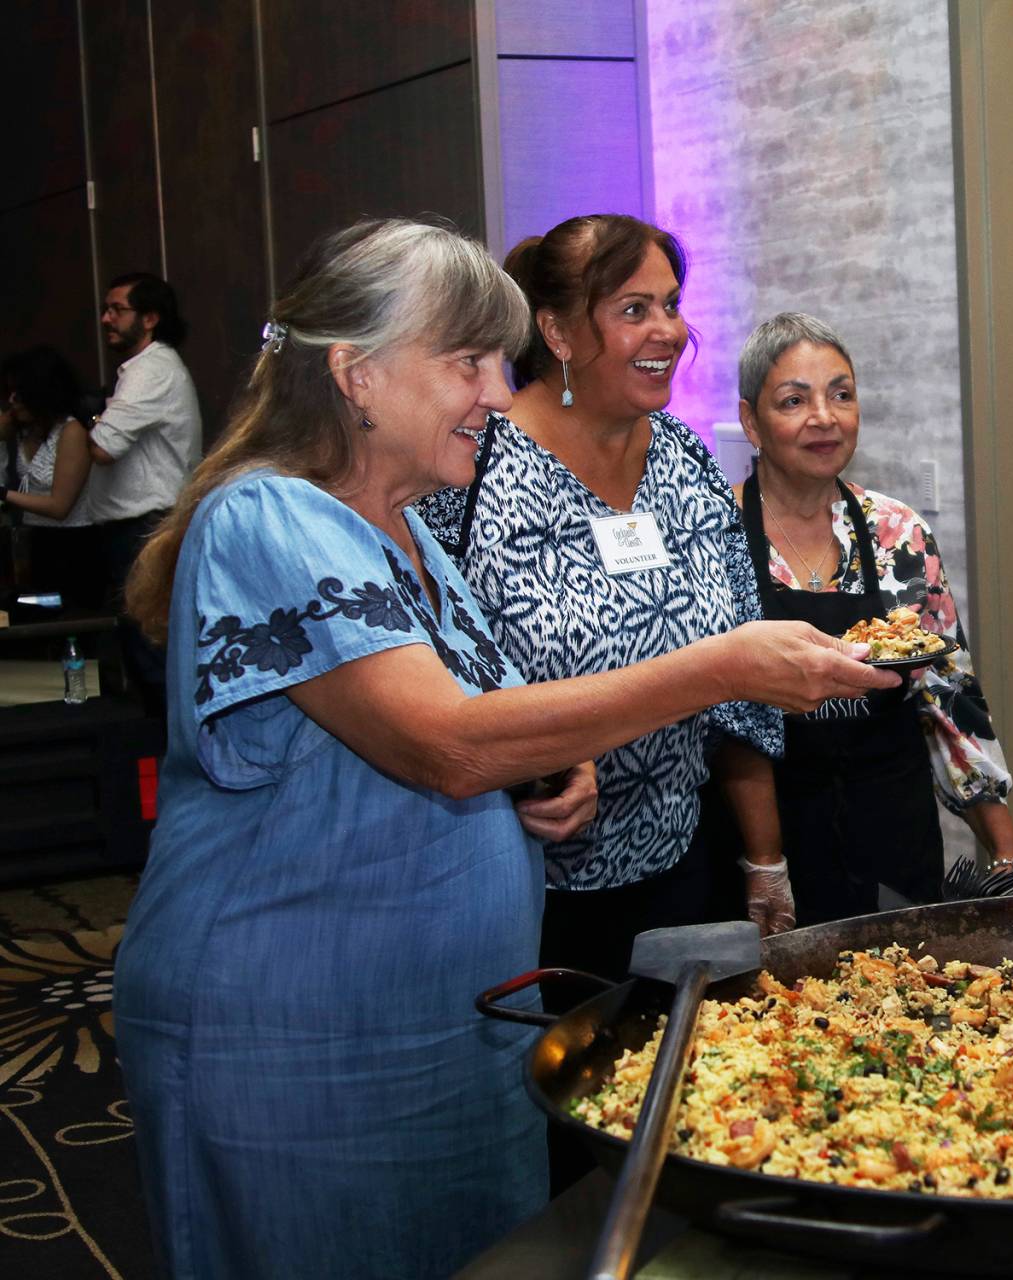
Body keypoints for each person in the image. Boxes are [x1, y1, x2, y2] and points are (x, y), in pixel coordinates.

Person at [112, 218, 893, 1279]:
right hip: (301, 1035)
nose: (495, 389)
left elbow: (478, 709)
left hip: (455, 1021)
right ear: (357, 375)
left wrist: (549, 762)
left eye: (500, 358)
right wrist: (719, 667)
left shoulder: (412, 525)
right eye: (467, 360)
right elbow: (443, 744)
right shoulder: (268, 520)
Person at [420, 214, 800, 983]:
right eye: (634, 310)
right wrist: (528, 772)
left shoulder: (686, 459)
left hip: (681, 864)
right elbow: (428, 679)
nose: (668, 330)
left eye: (670, 303)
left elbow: (737, 681)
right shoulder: (469, 467)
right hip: (522, 881)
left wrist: (764, 860)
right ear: (557, 332)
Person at [734, 313, 1013, 923]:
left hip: (893, 830)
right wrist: (763, 864)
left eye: (841, 394)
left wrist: (1004, 851)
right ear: (750, 421)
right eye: (794, 400)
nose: (824, 417)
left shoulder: (899, 534)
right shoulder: (714, 535)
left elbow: (950, 700)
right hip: (766, 842)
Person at [91, 271, 201, 701]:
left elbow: (102, 447)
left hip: (147, 526)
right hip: (138, 525)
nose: (106, 318)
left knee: (153, 655)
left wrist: (91, 421)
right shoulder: (141, 368)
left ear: (150, 318)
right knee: (140, 650)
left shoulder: (151, 368)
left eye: (117, 309)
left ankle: (165, 755)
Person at [1, 344, 104, 605]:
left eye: (19, 393)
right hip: (37, 541)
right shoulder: (27, 430)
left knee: (68, 620)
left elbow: (60, 506)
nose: (12, 401)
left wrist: (4, 495)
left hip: (71, 546)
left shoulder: (71, 432)